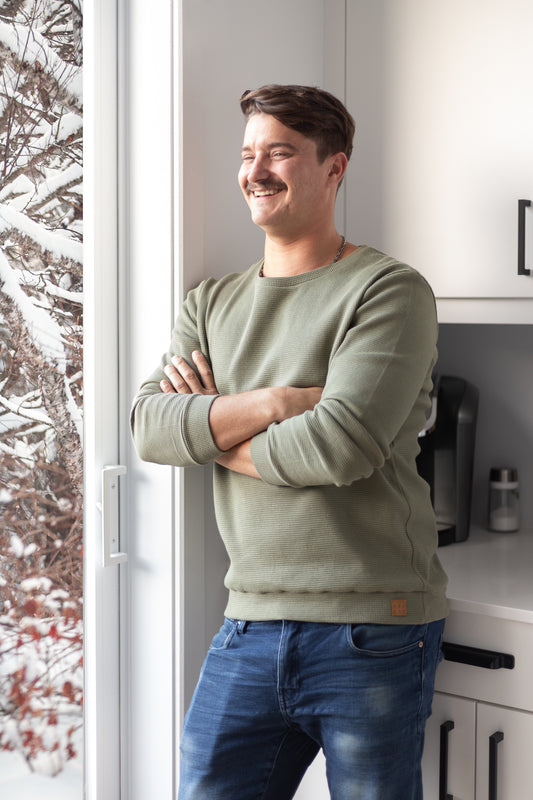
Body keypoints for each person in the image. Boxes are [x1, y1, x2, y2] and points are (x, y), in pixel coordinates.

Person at [130, 84, 448, 800]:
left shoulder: (387, 291)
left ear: (333, 169)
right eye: (248, 154)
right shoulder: (209, 304)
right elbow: (150, 426)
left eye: (280, 152)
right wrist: (275, 403)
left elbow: (338, 446)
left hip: (373, 627)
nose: (257, 170)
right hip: (248, 622)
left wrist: (209, 429)